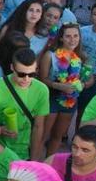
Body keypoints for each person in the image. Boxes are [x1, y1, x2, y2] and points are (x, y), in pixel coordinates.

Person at [39, 22, 92, 155]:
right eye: (68, 36)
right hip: (51, 98)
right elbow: (42, 79)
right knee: (43, 135)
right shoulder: (50, 56)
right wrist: (59, 85)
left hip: (70, 102)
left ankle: (48, 163)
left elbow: (90, 79)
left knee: (58, 136)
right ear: (61, 38)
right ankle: (35, 163)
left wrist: (82, 85)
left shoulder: (82, 57)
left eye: (75, 36)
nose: (72, 39)